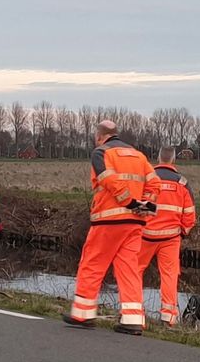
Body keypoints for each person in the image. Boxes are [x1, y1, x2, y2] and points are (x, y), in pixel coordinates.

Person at [63, 120, 160, 335]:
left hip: (108, 220)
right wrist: (145, 204)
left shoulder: (101, 153)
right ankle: (133, 319)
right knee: (129, 269)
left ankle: (83, 314)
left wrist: (129, 202)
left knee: (92, 263)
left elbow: (110, 181)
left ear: (99, 136)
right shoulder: (139, 155)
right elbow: (154, 184)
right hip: (135, 222)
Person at [138, 147, 196, 327]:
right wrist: (183, 231)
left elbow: (137, 206)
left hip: (145, 235)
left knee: (135, 272)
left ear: (157, 158)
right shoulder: (182, 183)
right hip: (171, 238)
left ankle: (135, 312)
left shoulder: (147, 179)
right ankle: (169, 317)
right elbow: (190, 215)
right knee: (169, 275)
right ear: (173, 160)